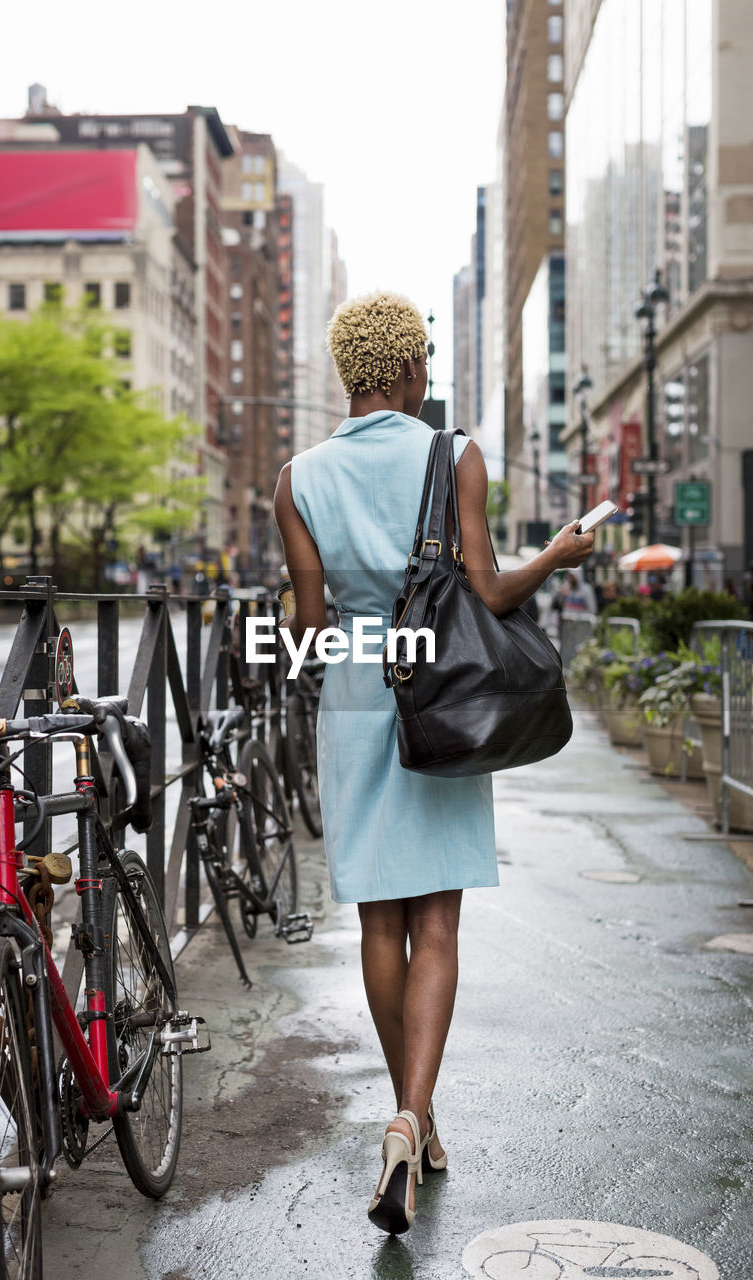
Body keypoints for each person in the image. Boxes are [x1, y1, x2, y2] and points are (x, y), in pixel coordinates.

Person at [272, 290, 594, 1236]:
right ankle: (413, 1116)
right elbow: (486, 592)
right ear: (410, 369)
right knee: (438, 926)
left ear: (347, 377)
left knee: (382, 923)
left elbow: (304, 626)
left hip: (356, 698)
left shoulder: (297, 477)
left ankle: (414, 1116)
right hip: (442, 693)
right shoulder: (453, 454)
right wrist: (559, 555)